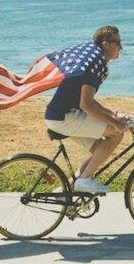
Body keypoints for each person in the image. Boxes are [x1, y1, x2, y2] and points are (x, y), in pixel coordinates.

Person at [44, 25, 127, 194]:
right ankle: (84, 180)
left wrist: (113, 114)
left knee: (100, 151)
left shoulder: (93, 57)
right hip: (64, 118)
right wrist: (116, 123)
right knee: (117, 133)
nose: (121, 47)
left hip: (61, 115)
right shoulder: (94, 64)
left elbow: (89, 102)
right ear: (106, 44)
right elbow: (87, 105)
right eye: (118, 43)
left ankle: (68, 188)